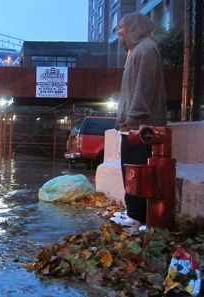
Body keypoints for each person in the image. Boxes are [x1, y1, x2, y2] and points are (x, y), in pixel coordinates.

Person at [110, 13, 167, 228]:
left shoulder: (146, 49)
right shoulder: (135, 50)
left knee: (138, 171)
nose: (119, 32)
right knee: (130, 170)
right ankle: (133, 211)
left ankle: (137, 215)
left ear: (134, 27)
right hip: (131, 125)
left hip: (140, 126)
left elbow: (144, 87)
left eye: (122, 27)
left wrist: (133, 117)